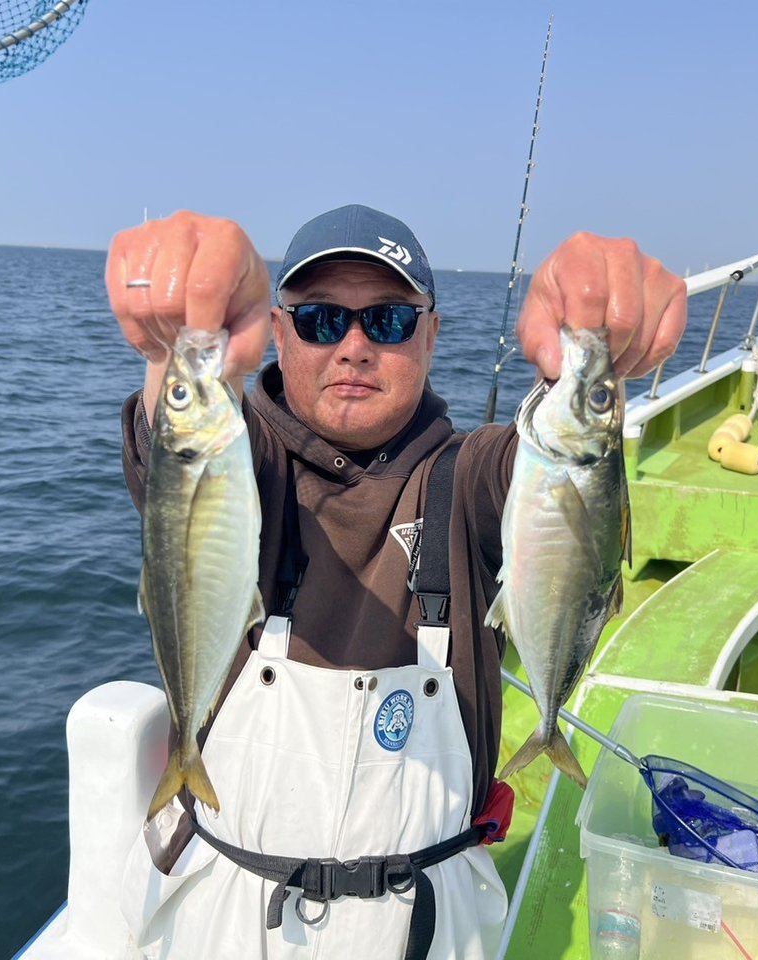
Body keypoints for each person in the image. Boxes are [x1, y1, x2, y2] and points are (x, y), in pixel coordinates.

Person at [107, 204, 686, 959]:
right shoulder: (242, 464)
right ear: (276, 332)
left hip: (425, 926)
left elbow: (562, 484)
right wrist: (178, 342)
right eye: (319, 320)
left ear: (431, 335)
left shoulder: (472, 479)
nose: (353, 347)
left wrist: (587, 345)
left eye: (387, 321)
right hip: (224, 916)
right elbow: (177, 453)